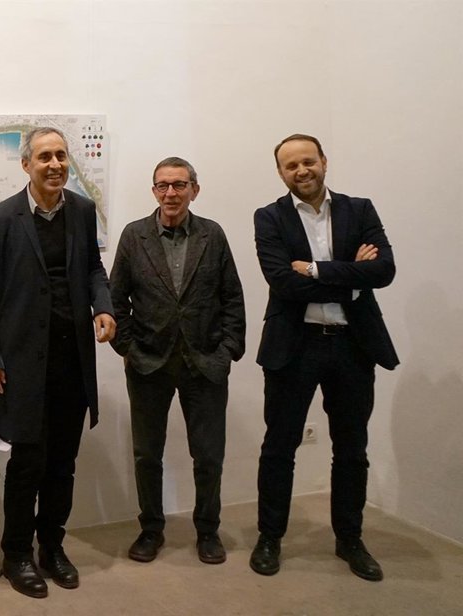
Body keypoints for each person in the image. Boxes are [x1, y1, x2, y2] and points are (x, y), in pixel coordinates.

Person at [0, 127, 115, 598]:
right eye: (45, 156)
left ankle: (52, 547)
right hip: (22, 365)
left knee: (62, 464)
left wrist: (104, 305)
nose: (55, 165)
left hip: (72, 361)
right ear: (26, 164)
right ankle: (16, 554)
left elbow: (93, 268)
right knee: (27, 463)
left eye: (61, 156)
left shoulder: (82, 211)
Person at [249, 133, 398, 582]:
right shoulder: (269, 217)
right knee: (279, 447)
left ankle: (349, 538)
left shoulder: (360, 210)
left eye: (308, 161)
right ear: (280, 172)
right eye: (291, 165)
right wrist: (353, 279)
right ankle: (270, 537)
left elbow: (383, 271)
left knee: (352, 449)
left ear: (324, 161)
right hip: (294, 346)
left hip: (353, 345)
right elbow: (282, 282)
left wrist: (316, 269)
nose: (302, 171)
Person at [109, 157, 246, 565]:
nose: (171, 193)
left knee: (208, 456)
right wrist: (128, 348)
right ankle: (151, 529)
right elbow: (116, 300)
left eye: (179, 185)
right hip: (148, 363)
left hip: (204, 362)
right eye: (163, 185)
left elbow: (232, 297)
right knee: (147, 455)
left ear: (194, 190)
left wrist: (227, 351)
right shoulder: (134, 236)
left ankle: (208, 531)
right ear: (154, 191)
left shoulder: (212, 235)